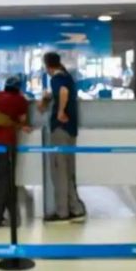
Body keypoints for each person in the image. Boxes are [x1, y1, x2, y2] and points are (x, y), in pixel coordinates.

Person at [40, 52, 86, 223]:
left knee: (59, 171)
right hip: (70, 130)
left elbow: (63, 92)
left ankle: (63, 212)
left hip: (60, 129)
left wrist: (59, 112)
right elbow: (62, 91)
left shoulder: (57, 78)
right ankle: (74, 207)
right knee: (67, 170)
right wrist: (49, 97)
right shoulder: (67, 76)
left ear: (47, 65)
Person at [0, 75, 31, 228]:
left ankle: (14, 217)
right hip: (6, 143)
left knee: (5, 180)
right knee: (6, 180)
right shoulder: (20, 100)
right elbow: (23, 120)